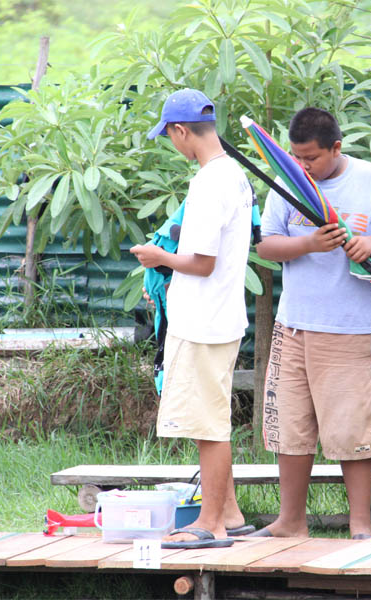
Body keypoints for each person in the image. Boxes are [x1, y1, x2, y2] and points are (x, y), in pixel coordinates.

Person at [252, 107, 371, 539]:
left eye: (310, 157)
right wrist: (307, 243)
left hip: (349, 327)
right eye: (295, 156)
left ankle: (360, 524)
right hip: (293, 325)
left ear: (336, 148)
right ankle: (290, 522)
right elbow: (266, 246)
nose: (302, 165)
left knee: (351, 426)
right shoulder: (288, 182)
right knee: (290, 426)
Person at [130, 88, 255, 549]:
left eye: (170, 136)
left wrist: (157, 255)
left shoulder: (208, 182)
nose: (173, 144)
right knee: (213, 417)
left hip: (202, 322)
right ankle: (231, 513)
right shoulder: (235, 175)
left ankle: (210, 525)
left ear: (181, 130)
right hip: (222, 316)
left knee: (207, 426)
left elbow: (201, 262)